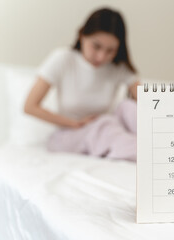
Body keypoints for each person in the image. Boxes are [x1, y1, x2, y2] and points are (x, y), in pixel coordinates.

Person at [24, 8, 140, 161]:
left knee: (127, 107)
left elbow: (146, 102)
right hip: (68, 135)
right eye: (96, 46)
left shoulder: (117, 67)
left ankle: (159, 142)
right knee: (105, 125)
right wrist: (74, 123)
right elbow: (30, 106)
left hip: (105, 128)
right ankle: (149, 151)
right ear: (82, 35)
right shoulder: (63, 59)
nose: (101, 56)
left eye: (110, 50)